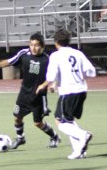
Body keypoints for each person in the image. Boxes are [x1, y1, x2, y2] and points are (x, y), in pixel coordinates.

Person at [0, 33, 60, 150]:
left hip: (38, 97)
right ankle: (20, 138)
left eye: (36, 45)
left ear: (42, 46)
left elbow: (54, 75)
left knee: (38, 123)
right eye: (31, 45)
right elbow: (9, 61)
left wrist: (51, 85)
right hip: (24, 94)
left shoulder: (47, 60)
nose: (33, 48)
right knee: (17, 118)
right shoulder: (24, 54)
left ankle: (55, 137)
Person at [41, 28, 96, 159]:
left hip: (68, 92)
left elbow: (51, 75)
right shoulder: (78, 53)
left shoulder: (56, 55)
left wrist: (46, 85)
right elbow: (91, 72)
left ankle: (83, 135)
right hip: (81, 91)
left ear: (56, 42)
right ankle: (79, 151)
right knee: (68, 120)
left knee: (60, 122)